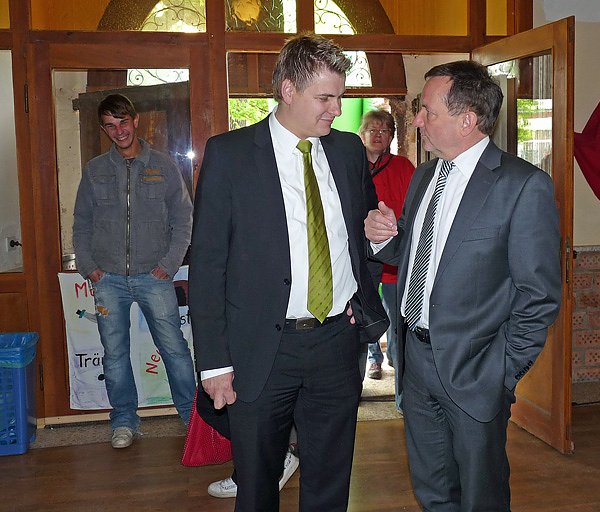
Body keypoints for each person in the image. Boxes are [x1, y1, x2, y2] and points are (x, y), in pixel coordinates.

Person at [188, 33, 388, 512]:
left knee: (330, 481)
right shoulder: (230, 155)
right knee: (257, 483)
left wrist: (375, 249)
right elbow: (208, 265)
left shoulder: (346, 151)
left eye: (339, 97)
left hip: (337, 342)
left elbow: (361, 235)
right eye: (326, 98)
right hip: (262, 348)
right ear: (289, 90)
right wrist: (214, 363)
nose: (337, 110)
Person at [364, 60, 562, 511]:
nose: (416, 120)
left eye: (427, 111)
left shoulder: (522, 186)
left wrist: (502, 371)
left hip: (476, 370)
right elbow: (418, 254)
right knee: (432, 490)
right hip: (415, 362)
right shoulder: (425, 176)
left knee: (480, 496)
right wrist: (384, 237)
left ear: (467, 120)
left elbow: (539, 296)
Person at [73, 93, 195, 449]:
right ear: (104, 130)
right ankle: (124, 420)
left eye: (123, 122)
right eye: (110, 126)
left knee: (174, 350)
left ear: (135, 120)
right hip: (108, 281)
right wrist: (89, 267)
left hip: (154, 279)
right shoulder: (95, 170)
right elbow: (82, 223)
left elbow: (183, 219)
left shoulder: (164, 166)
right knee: (114, 354)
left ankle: (193, 418)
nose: (119, 131)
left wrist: (168, 265)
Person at [358, 110, 414, 399]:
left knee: (396, 319)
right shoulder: (352, 166)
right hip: (361, 258)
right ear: (362, 134)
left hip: (395, 261)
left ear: (391, 136)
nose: (378, 135)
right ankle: (373, 359)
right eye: (372, 130)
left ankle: (396, 367)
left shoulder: (403, 166)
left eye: (384, 130)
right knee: (364, 315)